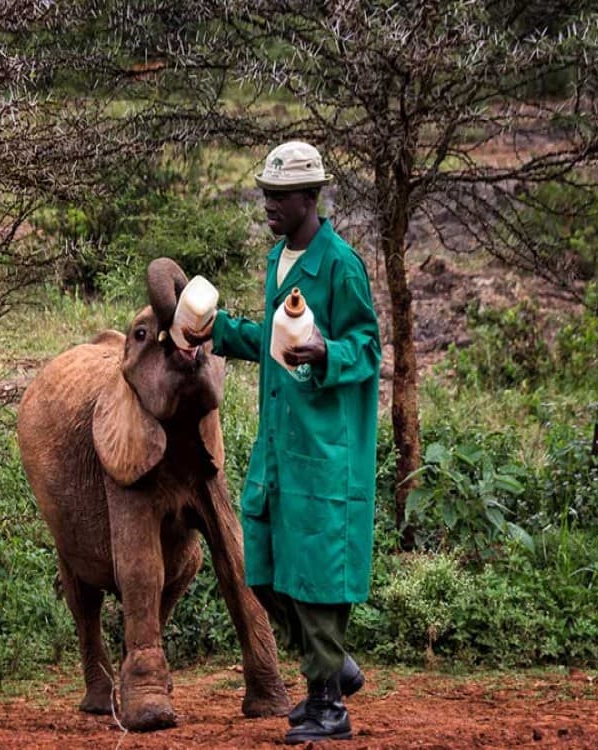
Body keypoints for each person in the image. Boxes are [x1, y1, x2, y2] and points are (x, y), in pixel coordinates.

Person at [185, 141, 381, 744]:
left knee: (317, 573)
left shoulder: (340, 265)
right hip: (279, 445)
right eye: (265, 194)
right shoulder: (279, 259)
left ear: (310, 197)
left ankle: (328, 706)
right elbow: (270, 340)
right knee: (265, 566)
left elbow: (368, 347)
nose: (268, 205)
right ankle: (332, 669)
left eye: (279, 197)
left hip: (324, 449)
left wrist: (327, 351)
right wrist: (213, 332)